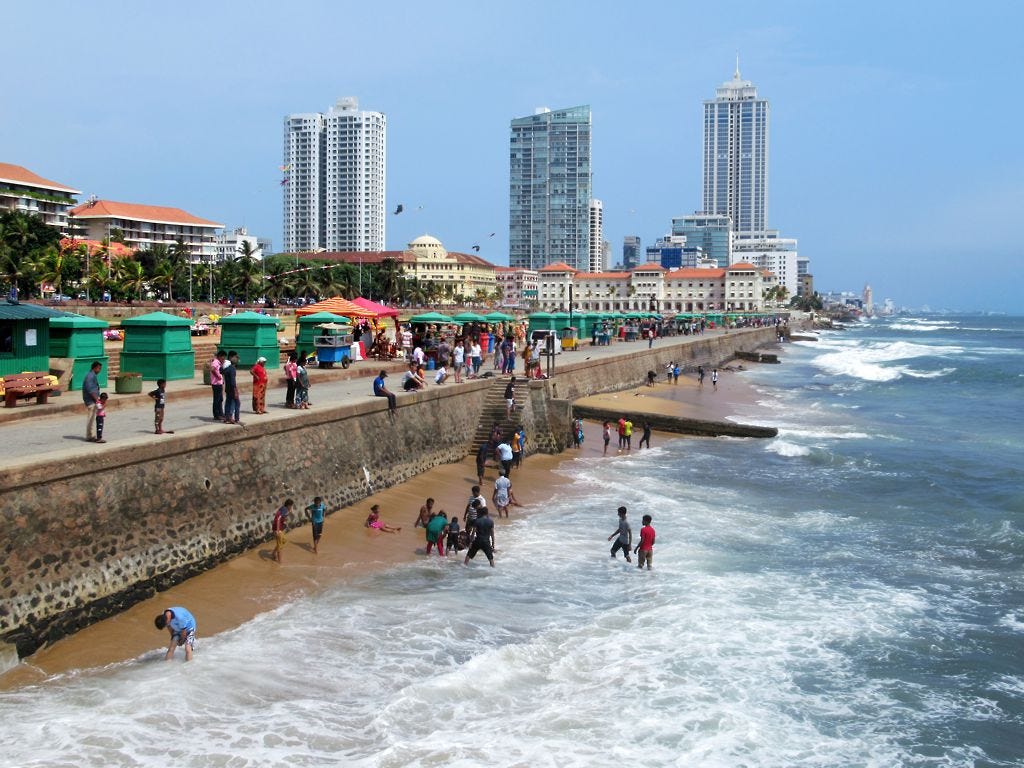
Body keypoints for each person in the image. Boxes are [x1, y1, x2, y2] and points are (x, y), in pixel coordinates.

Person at [83, 360, 103, 442]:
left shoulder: (92, 375)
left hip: (92, 400)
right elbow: (90, 390)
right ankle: (90, 436)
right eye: (99, 369)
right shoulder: (90, 376)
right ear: (96, 368)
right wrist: (97, 400)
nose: (100, 371)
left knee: (92, 417)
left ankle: (90, 435)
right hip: (91, 400)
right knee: (91, 418)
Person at [222, 351, 241, 424]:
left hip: (228, 388)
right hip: (232, 389)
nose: (237, 359)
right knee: (236, 403)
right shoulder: (232, 369)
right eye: (236, 357)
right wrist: (235, 391)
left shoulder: (227, 369)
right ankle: (233, 418)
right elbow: (233, 382)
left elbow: (221, 371)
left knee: (228, 402)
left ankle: (227, 418)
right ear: (231, 358)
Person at [272, 499, 293, 563]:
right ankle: (279, 562)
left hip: (279, 528)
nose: (291, 507)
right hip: (277, 529)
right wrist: (277, 530)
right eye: (291, 506)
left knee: (283, 541)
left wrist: (284, 522)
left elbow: (282, 517)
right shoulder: (284, 510)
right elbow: (278, 519)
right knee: (280, 546)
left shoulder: (284, 509)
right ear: (289, 505)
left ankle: (273, 553)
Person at [210, 350, 226, 420]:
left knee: (220, 399)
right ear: (219, 356)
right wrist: (218, 376)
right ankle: (216, 415)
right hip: (216, 384)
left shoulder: (219, 362)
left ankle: (221, 413)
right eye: (223, 358)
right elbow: (212, 369)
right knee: (217, 400)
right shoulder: (215, 362)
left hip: (219, 383)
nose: (224, 359)